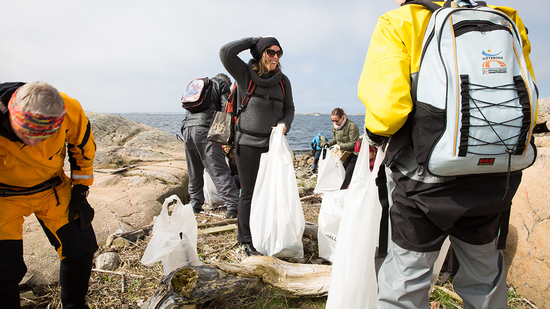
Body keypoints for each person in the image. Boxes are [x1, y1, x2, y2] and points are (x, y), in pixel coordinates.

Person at [358, 1, 536, 308]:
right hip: (493, 176)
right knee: (484, 277)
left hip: (424, 181)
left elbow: (387, 112)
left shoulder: (400, 21)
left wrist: (375, 136)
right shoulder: (506, 18)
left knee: (406, 281)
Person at [0, 81, 98, 309]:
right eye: (26, 134)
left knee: (81, 247)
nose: (34, 142)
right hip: (3, 197)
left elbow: (83, 149)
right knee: (4, 269)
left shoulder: (69, 109)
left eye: (43, 135)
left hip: (51, 188)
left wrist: (80, 193)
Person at [220, 36, 295, 256]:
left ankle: (266, 233)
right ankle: (245, 240)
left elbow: (289, 108)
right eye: (270, 52)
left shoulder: (283, 81)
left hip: (272, 145)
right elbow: (226, 52)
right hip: (247, 144)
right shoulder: (244, 75)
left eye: (279, 53)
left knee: (270, 192)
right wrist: (254, 40)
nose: (275, 57)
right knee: (249, 193)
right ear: (260, 53)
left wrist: (284, 124)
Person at [181, 73, 240, 219]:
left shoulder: (200, 87)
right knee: (218, 169)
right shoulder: (221, 85)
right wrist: (228, 138)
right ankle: (233, 206)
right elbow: (227, 108)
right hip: (206, 130)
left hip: (188, 130)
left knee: (194, 170)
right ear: (226, 82)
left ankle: (195, 204)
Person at [324, 108, 359, 189]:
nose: (335, 123)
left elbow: (354, 143)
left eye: (336, 120)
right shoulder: (335, 126)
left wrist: (340, 146)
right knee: (340, 172)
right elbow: (336, 139)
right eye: (332, 121)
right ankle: (344, 189)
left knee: (349, 172)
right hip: (342, 155)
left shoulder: (352, 126)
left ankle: (343, 192)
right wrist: (328, 143)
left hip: (354, 154)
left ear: (342, 117)